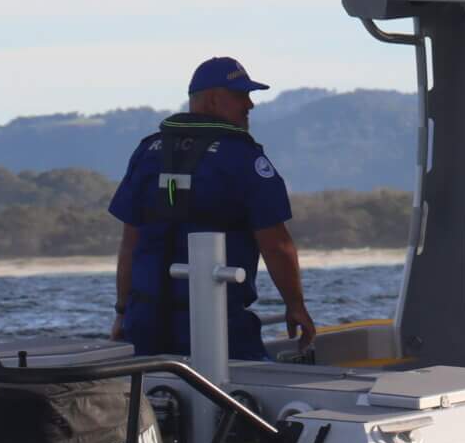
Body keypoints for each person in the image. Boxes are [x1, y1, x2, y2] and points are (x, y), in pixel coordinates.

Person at [108, 57, 316, 360]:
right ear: (213, 100)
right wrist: (296, 306)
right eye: (240, 95)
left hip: (145, 324)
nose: (249, 105)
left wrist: (122, 312)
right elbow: (277, 245)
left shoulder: (147, 152)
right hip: (218, 323)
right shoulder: (242, 158)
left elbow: (130, 243)